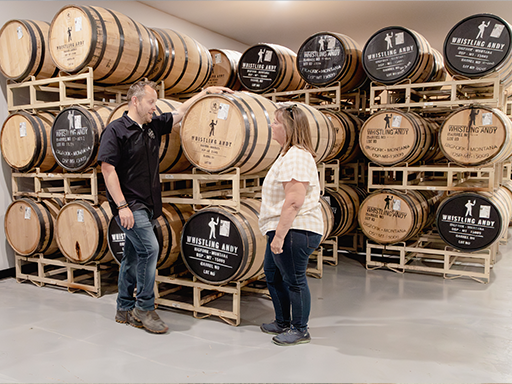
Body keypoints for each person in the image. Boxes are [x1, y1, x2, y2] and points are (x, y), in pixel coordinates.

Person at [98, 80, 232, 334]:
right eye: (151, 102)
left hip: (148, 204)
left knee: (132, 255)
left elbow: (180, 113)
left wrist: (205, 92)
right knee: (151, 249)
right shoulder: (116, 131)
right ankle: (144, 308)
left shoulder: (151, 126)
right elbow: (108, 169)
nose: (154, 107)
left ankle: (124, 307)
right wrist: (122, 206)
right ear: (135, 101)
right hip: (131, 204)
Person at [258, 104, 324, 346]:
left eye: (276, 123)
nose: (271, 126)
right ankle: (283, 320)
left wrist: (279, 236)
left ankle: (300, 328)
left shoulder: (297, 156)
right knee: (272, 274)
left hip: (295, 229)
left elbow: (294, 201)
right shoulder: (287, 154)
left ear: (289, 128)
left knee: (294, 279)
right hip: (282, 227)